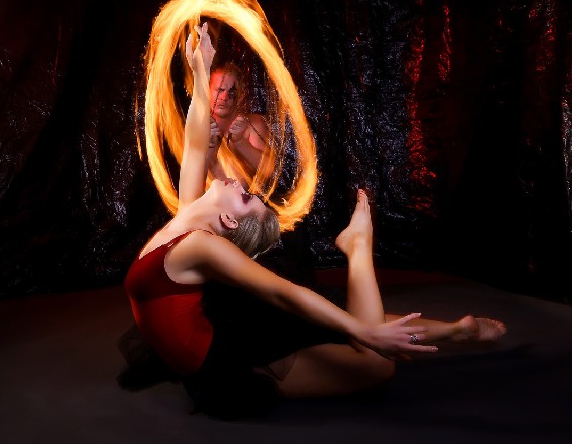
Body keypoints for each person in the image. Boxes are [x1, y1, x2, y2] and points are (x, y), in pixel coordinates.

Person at [120, 23, 506, 419]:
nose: (243, 187)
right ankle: (449, 329)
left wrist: (363, 333)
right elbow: (196, 140)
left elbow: (282, 292)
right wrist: (201, 70)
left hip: (227, 358)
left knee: (376, 364)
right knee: (346, 330)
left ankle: (360, 252)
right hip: (228, 332)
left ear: (229, 222)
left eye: (248, 199)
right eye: (250, 196)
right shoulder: (191, 216)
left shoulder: (199, 241)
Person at [205, 61, 270, 187]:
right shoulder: (197, 127)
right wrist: (209, 148)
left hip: (241, 198)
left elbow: (269, 171)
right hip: (207, 198)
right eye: (220, 90)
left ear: (240, 96)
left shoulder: (251, 125)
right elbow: (190, 178)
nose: (224, 97)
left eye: (231, 92)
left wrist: (240, 142)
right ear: (207, 92)